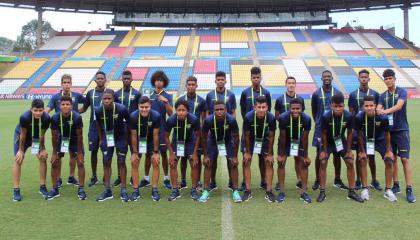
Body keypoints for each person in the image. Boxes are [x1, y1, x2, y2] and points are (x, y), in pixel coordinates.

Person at [377, 69, 416, 203]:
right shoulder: (382, 96)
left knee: (404, 159)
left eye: (390, 78)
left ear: (394, 79)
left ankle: (409, 189)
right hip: (389, 132)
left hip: (401, 130)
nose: (388, 81)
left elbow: (399, 106)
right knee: (392, 159)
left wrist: (384, 111)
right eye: (386, 79)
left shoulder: (402, 92)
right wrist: (379, 110)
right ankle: (396, 185)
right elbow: (378, 108)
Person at [317, 94, 363, 203]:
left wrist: (349, 151)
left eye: (340, 106)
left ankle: (351, 192)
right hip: (327, 142)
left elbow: (350, 133)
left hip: (340, 141)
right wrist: (323, 151)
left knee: (350, 162)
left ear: (344, 106)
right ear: (331, 106)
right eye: (335, 106)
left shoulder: (348, 116)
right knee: (323, 162)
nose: (338, 109)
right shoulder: (326, 116)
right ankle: (322, 191)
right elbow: (323, 134)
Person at [45, 74, 85, 187]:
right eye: (64, 83)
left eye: (68, 82)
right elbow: (48, 108)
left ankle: (71, 177)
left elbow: (87, 102)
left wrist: (79, 112)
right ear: (61, 84)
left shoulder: (77, 95)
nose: (66, 85)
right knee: (59, 155)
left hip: (73, 130)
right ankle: (58, 179)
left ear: (71, 84)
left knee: (74, 155)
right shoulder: (55, 97)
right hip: (60, 132)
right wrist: (42, 115)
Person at [354, 95, 396, 201]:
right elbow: (358, 134)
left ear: (375, 105)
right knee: (362, 159)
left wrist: (388, 151)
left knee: (389, 160)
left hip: (380, 140)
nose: (369, 108)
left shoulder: (383, 117)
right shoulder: (359, 117)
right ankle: (364, 189)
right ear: (363, 106)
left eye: (371, 105)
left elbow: (387, 134)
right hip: (366, 140)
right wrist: (362, 151)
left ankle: (388, 190)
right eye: (366, 106)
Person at [311, 70, 346, 191]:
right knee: (319, 154)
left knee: (337, 153)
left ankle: (337, 179)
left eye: (329, 76)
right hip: (321, 128)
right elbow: (314, 111)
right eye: (325, 76)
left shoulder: (337, 92)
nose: (327, 78)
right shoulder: (316, 93)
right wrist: (319, 122)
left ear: (332, 78)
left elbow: (341, 109)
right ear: (321, 79)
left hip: (336, 128)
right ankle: (317, 179)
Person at [199, 101, 241, 203]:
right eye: (216, 110)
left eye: (221, 109)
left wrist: (235, 156)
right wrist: (205, 155)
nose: (219, 112)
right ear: (213, 111)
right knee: (208, 164)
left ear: (226, 110)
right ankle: (205, 190)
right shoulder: (208, 120)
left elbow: (236, 138)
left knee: (233, 164)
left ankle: (235, 191)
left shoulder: (231, 120)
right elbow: (203, 137)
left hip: (227, 141)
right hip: (213, 141)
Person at [46, 96, 86, 200]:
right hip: (62, 139)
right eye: (63, 104)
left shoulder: (77, 117)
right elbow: (54, 136)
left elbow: (80, 136)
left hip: (74, 140)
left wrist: (80, 152)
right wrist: (54, 152)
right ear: (59, 106)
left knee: (80, 162)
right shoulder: (54, 118)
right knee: (55, 162)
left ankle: (81, 189)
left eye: (67, 104)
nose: (65, 106)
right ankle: (55, 189)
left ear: (71, 106)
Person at [348, 69, 381, 191]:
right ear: (358, 79)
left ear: (369, 79)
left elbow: (377, 111)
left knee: (371, 155)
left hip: (371, 129)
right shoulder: (352, 95)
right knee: (359, 155)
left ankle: (374, 180)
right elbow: (351, 112)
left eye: (365, 77)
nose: (363, 79)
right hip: (358, 129)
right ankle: (358, 180)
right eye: (361, 77)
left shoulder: (375, 94)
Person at [239, 66, 271, 191]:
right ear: (251, 78)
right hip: (248, 130)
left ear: (260, 78)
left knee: (263, 157)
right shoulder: (245, 93)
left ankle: (263, 181)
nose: (256, 79)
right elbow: (242, 109)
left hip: (263, 131)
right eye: (254, 77)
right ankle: (244, 182)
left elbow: (268, 109)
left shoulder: (266, 93)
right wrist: (249, 121)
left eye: (258, 77)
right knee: (246, 157)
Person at [140, 71, 173, 190]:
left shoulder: (168, 96)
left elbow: (170, 113)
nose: (159, 82)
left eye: (161, 80)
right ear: (154, 81)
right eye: (157, 80)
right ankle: (146, 178)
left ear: (164, 82)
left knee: (164, 153)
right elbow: (142, 109)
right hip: (148, 129)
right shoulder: (148, 95)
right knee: (148, 154)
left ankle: (166, 178)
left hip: (162, 129)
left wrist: (166, 101)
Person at [94, 89, 130, 202]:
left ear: (113, 99)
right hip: (107, 138)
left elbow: (129, 124)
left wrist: (127, 139)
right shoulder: (98, 110)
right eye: (105, 99)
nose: (107, 101)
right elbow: (98, 125)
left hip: (120, 138)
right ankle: (108, 190)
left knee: (121, 162)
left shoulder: (122, 109)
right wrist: (101, 139)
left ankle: (123, 190)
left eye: (109, 99)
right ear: (101, 99)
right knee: (106, 162)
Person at [12, 99, 50, 201]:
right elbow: (23, 135)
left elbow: (42, 135)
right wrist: (20, 150)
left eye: (40, 110)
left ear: (43, 110)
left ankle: (42, 187)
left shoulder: (46, 118)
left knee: (42, 158)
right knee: (18, 159)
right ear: (31, 109)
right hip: (21, 136)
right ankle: (16, 190)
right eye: (35, 110)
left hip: (36, 137)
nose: (38, 113)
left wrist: (43, 149)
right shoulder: (25, 117)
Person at [205, 71, 237, 191]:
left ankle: (231, 181)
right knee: (212, 159)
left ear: (225, 81)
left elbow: (233, 111)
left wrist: (232, 125)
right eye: (218, 79)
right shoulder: (210, 95)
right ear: (215, 81)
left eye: (222, 79)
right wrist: (208, 129)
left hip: (227, 132)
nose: (220, 81)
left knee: (230, 158)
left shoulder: (231, 95)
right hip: (213, 132)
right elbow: (207, 112)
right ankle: (212, 182)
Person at [164, 99, 201, 201]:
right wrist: (171, 153)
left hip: (190, 141)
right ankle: (175, 190)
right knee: (173, 163)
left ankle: (193, 189)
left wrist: (195, 153)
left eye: (183, 110)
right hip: (177, 141)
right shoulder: (171, 120)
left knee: (194, 163)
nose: (181, 112)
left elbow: (198, 136)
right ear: (176, 110)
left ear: (188, 111)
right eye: (179, 110)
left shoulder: (194, 119)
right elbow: (166, 136)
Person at [277, 98, 312, 203]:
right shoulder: (283, 118)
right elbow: (282, 137)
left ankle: (304, 192)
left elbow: (305, 138)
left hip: (299, 140)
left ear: (302, 109)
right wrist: (282, 154)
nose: (295, 111)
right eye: (293, 108)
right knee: (281, 163)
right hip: (285, 142)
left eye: (298, 108)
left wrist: (305, 156)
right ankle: (282, 192)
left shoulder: (306, 119)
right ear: (289, 108)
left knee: (304, 164)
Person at [241, 96, 276, 202]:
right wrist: (247, 152)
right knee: (246, 161)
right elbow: (246, 135)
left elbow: (271, 136)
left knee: (269, 162)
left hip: (264, 139)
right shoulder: (248, 117)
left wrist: (270, 154)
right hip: (249, 140)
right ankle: (247, 191)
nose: (261, 109)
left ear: (267, 107)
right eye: (259, 107)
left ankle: (269, 191)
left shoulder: (271, 118)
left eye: (263, 107)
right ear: (254, 107)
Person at [274, 76, 306, 191]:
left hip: (297, 134)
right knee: (283, 158)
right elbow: (277, 115)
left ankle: (299, 180)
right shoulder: (280, 99)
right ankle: (279, 182)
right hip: (284, 134)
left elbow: (303, 116)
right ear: (286, 84)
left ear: (295, 85)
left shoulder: (301, 99)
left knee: (298, 158)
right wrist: (286, 123)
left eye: (293, 83)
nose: (291, 85)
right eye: (289, 83)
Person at [128, 96, 162, 201]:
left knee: (155, 161)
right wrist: (134, 152)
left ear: (150, 106)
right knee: (134, 162)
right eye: (141, 107)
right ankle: (135, 190)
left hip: (151, 140)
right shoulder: (133, 117)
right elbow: (133, 135)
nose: (144, 109)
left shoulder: (156, 116)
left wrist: (156, 152)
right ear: (138, 106)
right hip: (138, 141)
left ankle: (154, 190)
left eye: (146, 107)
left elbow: (156, 135)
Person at [113, 70, 141, 187]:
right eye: (124, 78)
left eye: (128, 78)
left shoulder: (137, 94)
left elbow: (141, 110)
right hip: (120, 128)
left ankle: (132, 177)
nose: (126, 80)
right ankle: (120, 177)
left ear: (131, 79)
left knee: (135, 152)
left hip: (133, 128)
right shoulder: (116, 94)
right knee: (120, 154)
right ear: (121, 79)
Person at [177, 76, 206, 190]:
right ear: (186, 86)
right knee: (183, 157)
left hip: (195, 133)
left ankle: (198, 182)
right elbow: (178, 114)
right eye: (189, 84)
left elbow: (203, 118)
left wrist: (202, 132)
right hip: (182, 131)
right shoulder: (181, 99)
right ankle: (183, 180)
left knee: (196, 157)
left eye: (193, 84)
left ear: (196, 86)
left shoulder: (201, 100)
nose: (191, 86)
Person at [79, 71, 107, 187]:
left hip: (106, 127)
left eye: (102, 78)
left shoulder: (110, 93)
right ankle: (94, 176)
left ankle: (106, 176)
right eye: (98, 78)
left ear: (105, 80)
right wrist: (72, 112)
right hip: (94, 127)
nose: (100, 80)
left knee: (106, 152)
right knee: (93, 152)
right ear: (95, 80)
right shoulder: (90, 93)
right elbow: (84, 109)